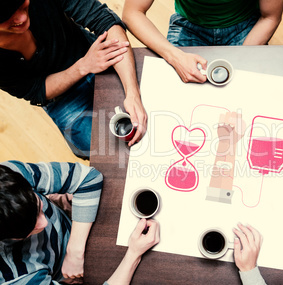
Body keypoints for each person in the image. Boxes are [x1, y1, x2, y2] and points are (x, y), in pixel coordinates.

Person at [0, 0, 147, 159]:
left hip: (93, 53)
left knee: (150, 103)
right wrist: (82, 67)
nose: (21, 18)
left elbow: (105, 21)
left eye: (22, 5)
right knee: (105, 149)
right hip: (62, 97)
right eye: (6, 18)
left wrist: (132, 93)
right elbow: (36, 90)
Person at [0, 160, 160, 284]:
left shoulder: (11, 176)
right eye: (30, 229)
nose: (44, 223)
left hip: (74, 235)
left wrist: (74, 252)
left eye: (39, 208)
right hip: (71, 274)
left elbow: (89, 178)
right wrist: (134, 254)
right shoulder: (16, 278)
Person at [122, 0, 283, 83]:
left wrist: (241, 59)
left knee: (250, 89)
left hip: (245, 25)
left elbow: (270, 17)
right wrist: (175, 56)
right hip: (189, 25)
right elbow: (132, 13)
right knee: (175, 92)